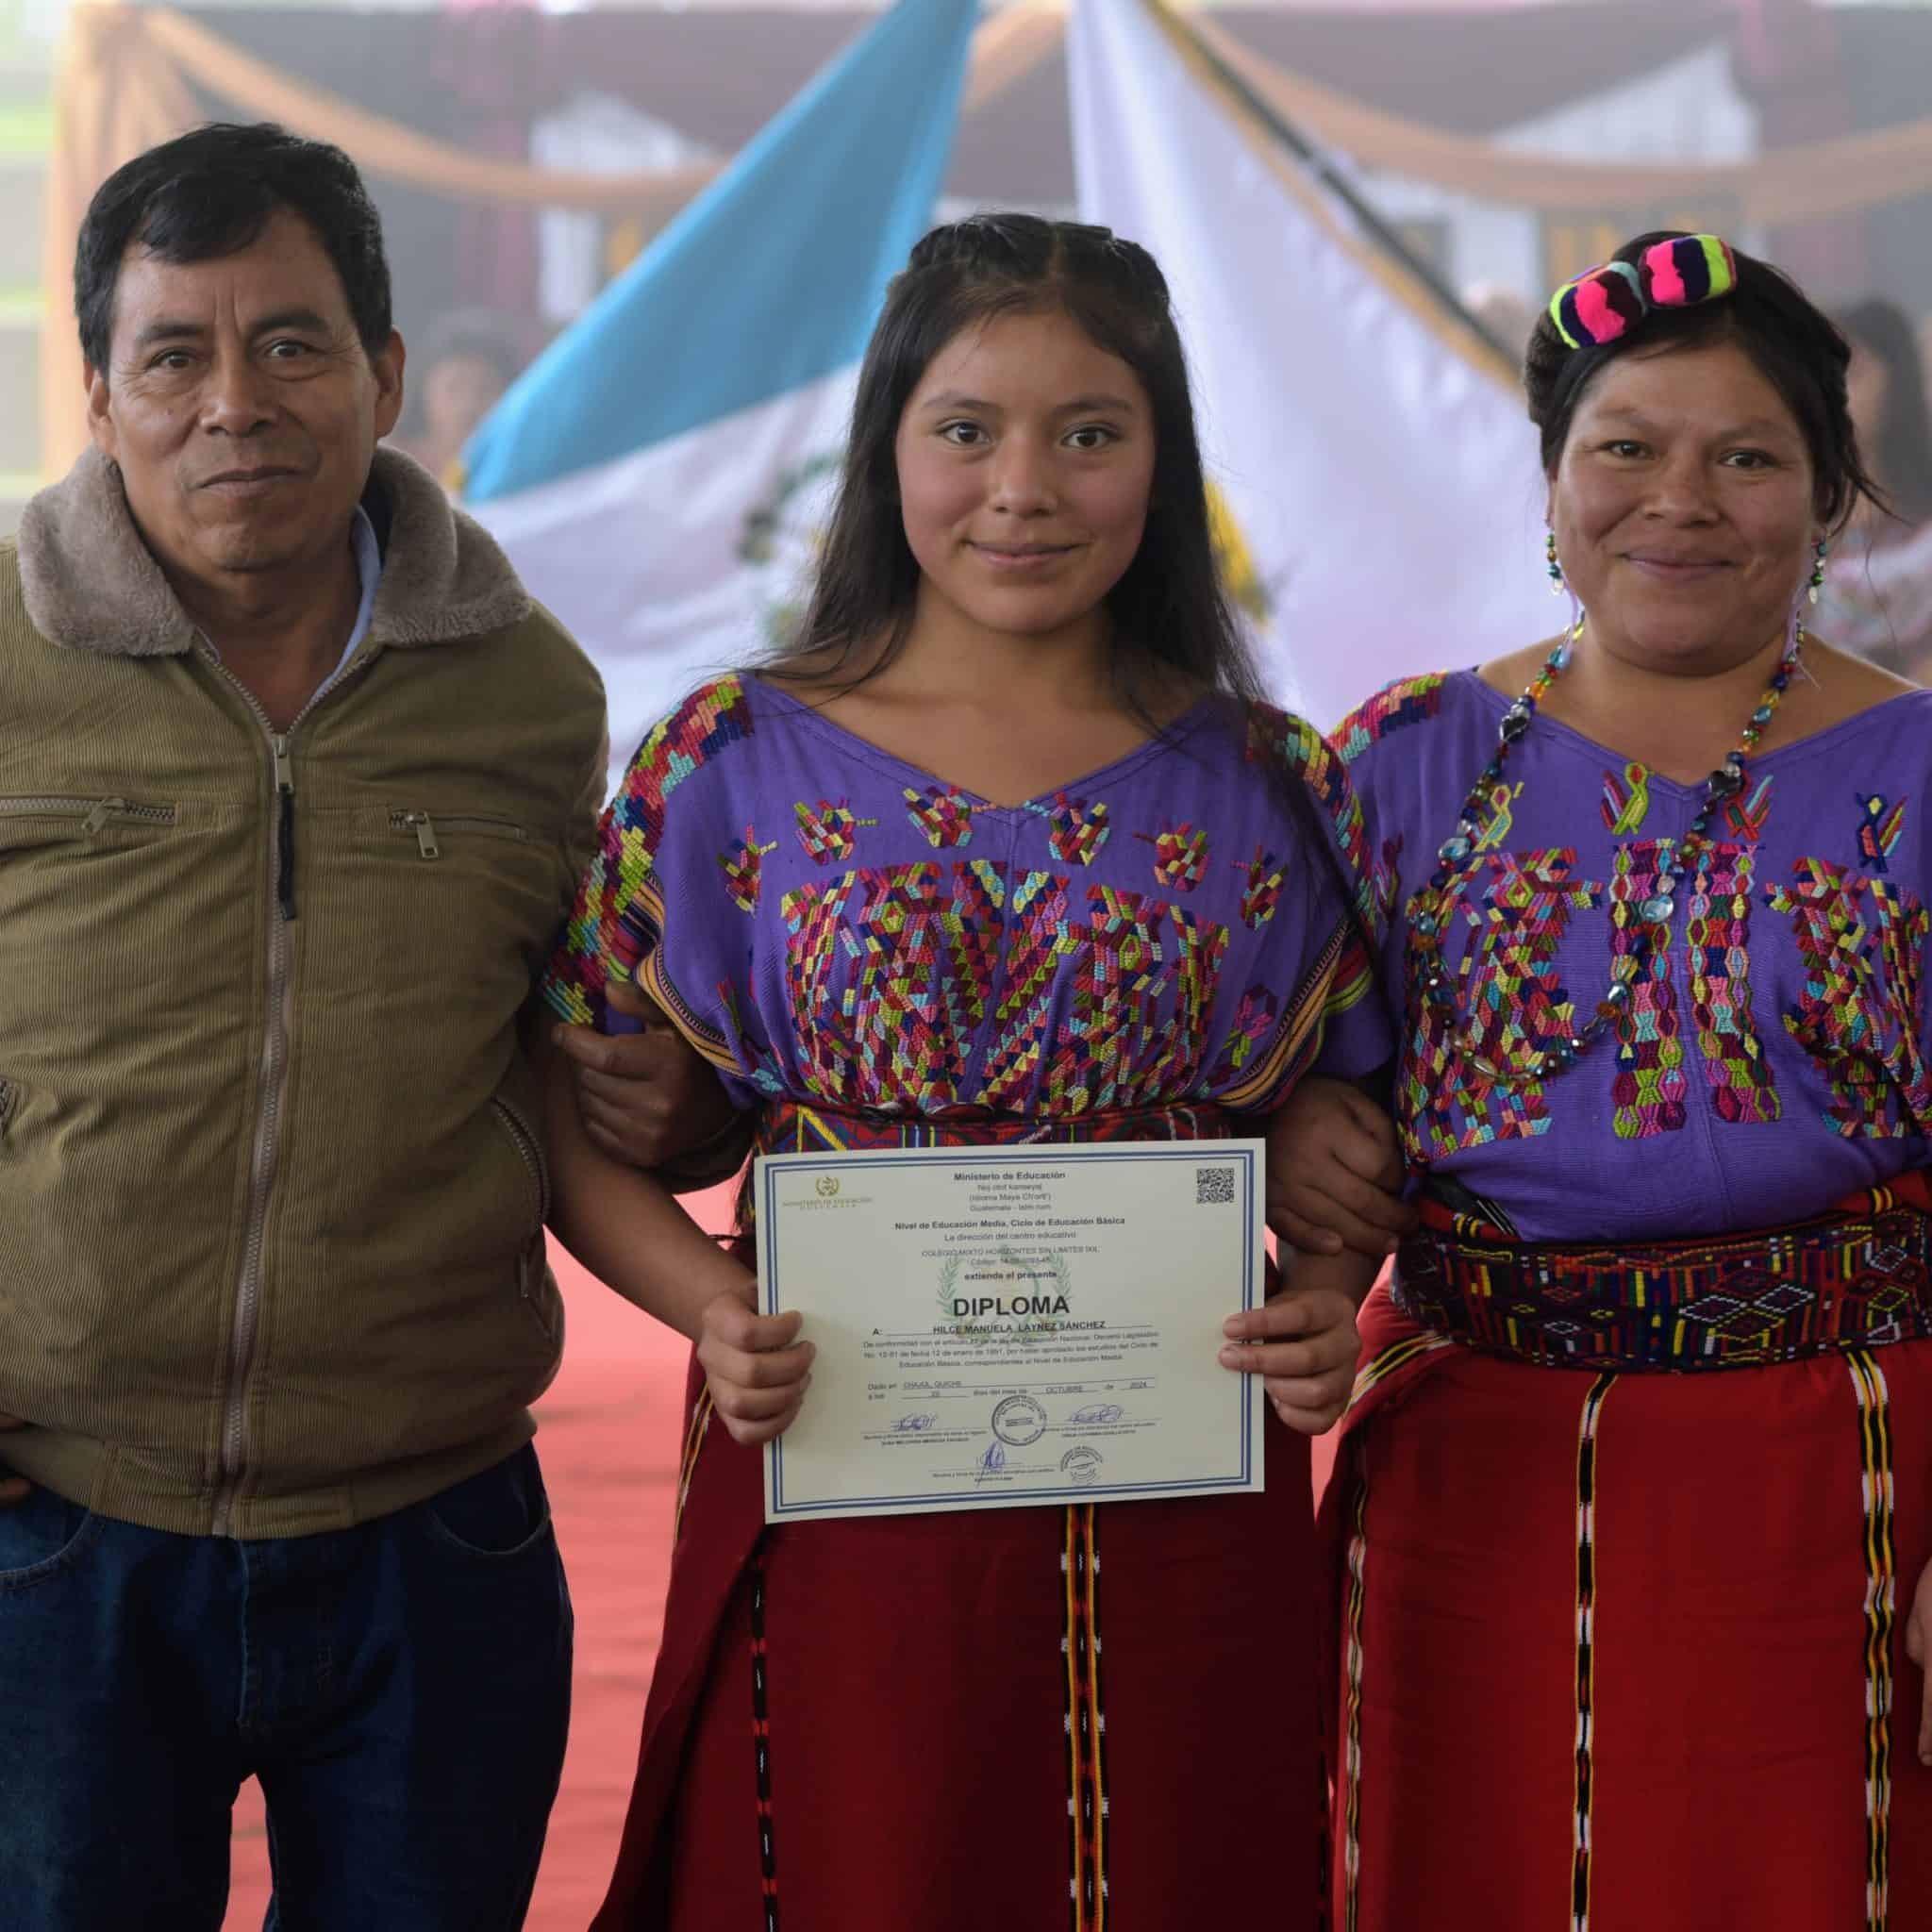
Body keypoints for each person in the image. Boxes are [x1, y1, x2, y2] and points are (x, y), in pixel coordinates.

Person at [537, 212, 1393, 1929]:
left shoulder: (1266, 777)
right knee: (860, 1853)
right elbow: (572, 1118)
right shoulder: (727, 756)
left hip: (1181, 1473)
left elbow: (1347, 1110)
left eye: (1088, 431)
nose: (1024, 486)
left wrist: (1329, 1288)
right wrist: (705, 1312)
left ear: (1160, 457)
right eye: (966, 429)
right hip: (840, 1453)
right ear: (886, 447)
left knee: (1174, 1858)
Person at [0, 120, 711, 1929]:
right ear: (99, 391)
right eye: (176, 353)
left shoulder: (527, 689)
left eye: (291, 343)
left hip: (436, 1530)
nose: (235, 401)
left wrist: (688, 1101)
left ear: (384, 375)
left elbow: (580, 1066)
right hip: (57, 1525)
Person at [1276, 231, 1932, 1928]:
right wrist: (1298, 1132)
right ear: (1550, 488)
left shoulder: (1921, 768)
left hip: (1850, 1481)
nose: (1679, 501)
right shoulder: (1399, 758)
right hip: (1472, 1485)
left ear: (1828, 489)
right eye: (1624, 449)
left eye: (1745, 456)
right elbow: (1292, 1066)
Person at [1815, 296, 1932, 679]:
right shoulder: (1798, 511)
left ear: (1898, 379)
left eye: (1852, 372)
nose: (1832, 391)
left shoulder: (1922, 519)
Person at [387, 306, 525, 490]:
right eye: (453, 388)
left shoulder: (519, 466)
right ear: (424, 392)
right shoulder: (390, 464)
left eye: (484, 390)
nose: (467, 405)